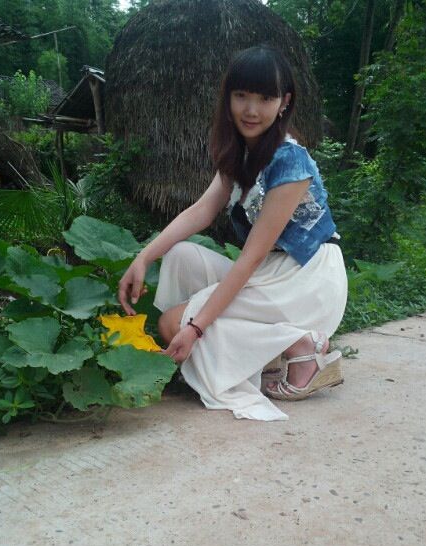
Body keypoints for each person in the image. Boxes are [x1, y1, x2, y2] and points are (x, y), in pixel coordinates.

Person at [118, 45, 348, 421]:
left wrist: (196, 327)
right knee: (181, 255)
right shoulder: (240, 154)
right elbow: (201, 211)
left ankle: (301, 345)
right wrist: (143, 257)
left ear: (284, 102)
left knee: (172, 324)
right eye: (241, 96)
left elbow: (251, 257)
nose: (251, 110)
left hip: (307, 279)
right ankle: (268, 353)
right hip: (273, 271)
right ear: (228, 98)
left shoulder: (290, 162)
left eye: (265, 98)